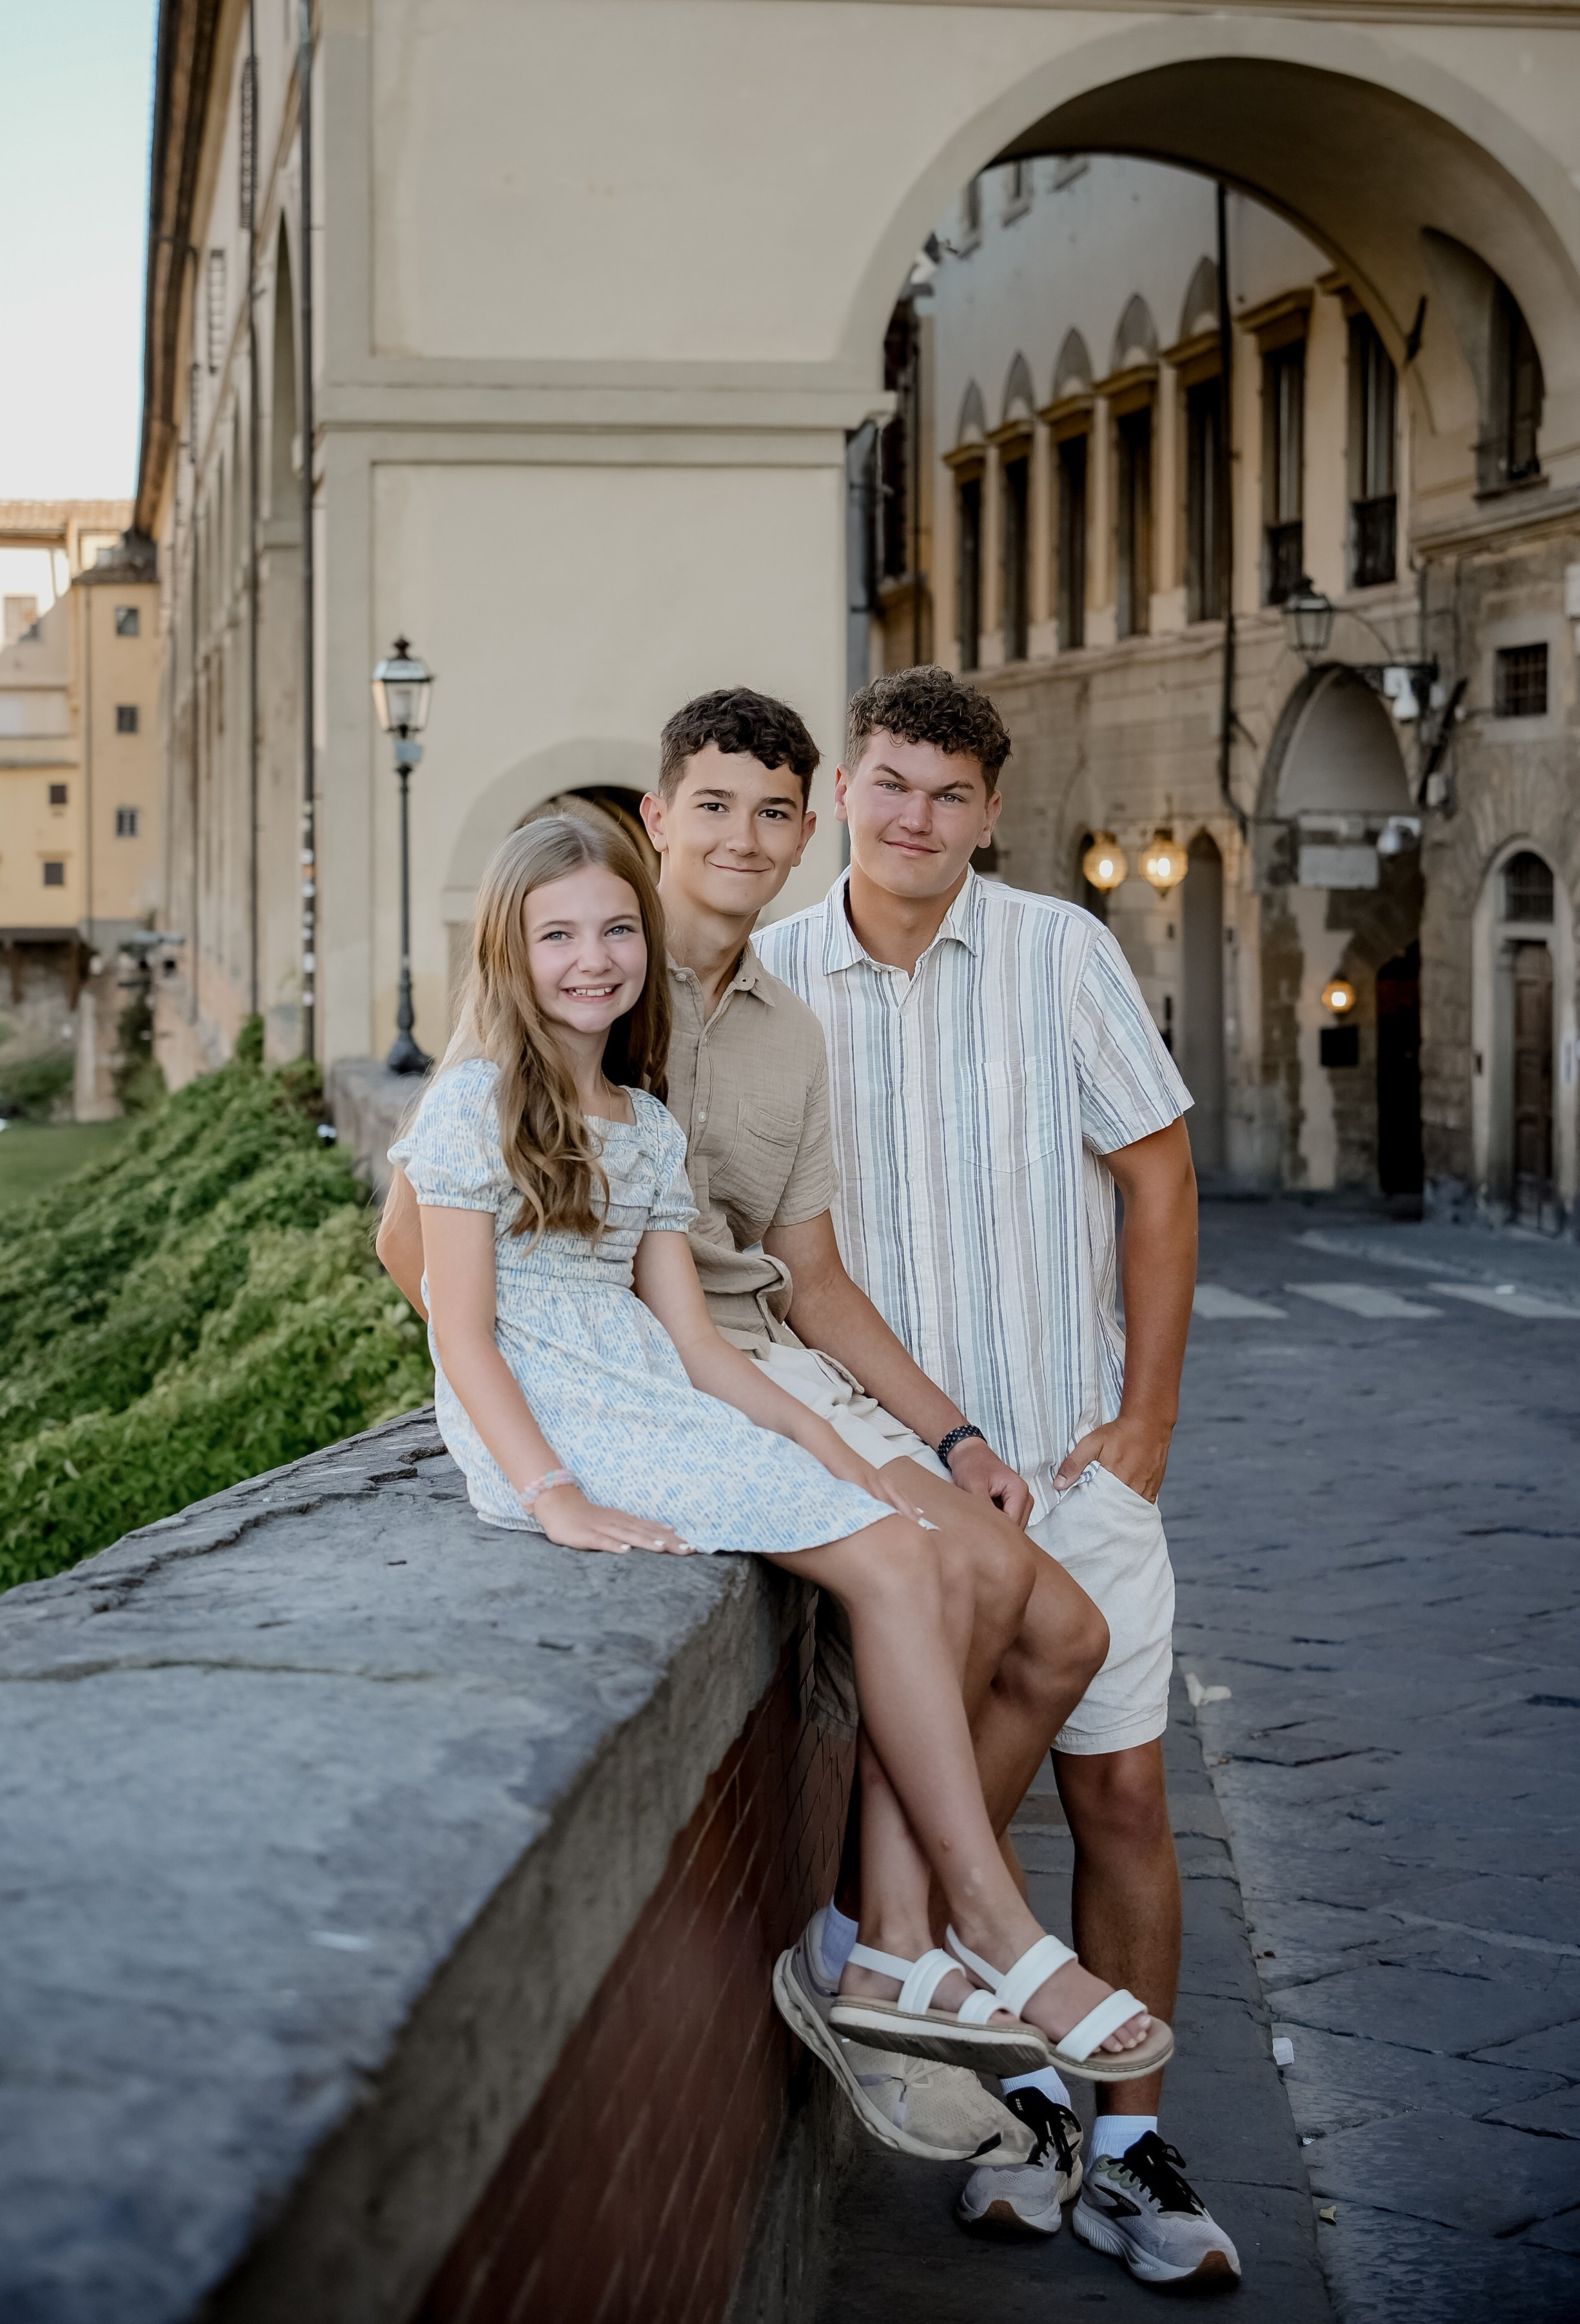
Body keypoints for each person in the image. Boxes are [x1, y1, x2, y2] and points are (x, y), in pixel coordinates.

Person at [381, 693, 1108, 2209]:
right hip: (612, 1391)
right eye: (713, 808)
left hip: (725, 1366)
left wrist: (939, 1435)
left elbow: (802, 1287)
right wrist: (542, 1426)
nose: (744, 840)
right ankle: (906, 1944)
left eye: (774, 813)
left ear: (806, 822)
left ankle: (886, 1938)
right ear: (661, 820)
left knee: (1051, 1620)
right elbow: (438, 1278)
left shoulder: (767, 1032)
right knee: (957, 1580)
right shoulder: (530, 1033)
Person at [756, 666, 1241, 2295]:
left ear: (988, 813)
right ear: (842, 789)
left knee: (1117, 1796)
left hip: (1068, 1456)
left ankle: (1129, 2146)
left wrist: (1146, 1420)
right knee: (974, 1792)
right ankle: (1032, 2109)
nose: (915, 820)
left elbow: (1156, 1177)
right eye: (889, 784)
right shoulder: (760, 984)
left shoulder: (1056, 951)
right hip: (900, 1491)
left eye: (949, 796)